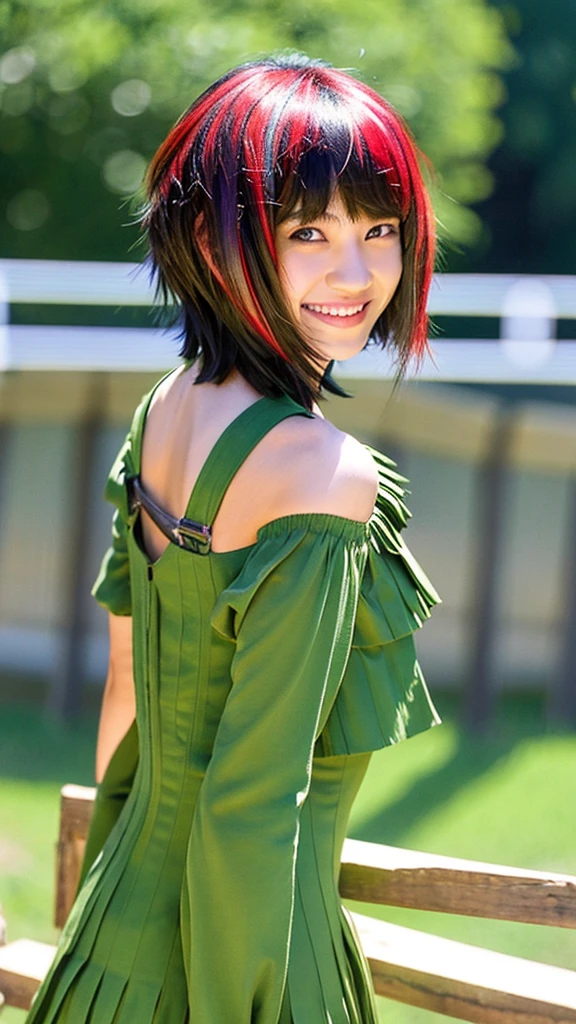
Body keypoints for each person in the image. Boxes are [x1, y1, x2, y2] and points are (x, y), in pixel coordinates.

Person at [26, 52, 442, 1024]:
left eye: (380, 228)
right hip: (244, 961)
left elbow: (126, 687)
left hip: (115, 933)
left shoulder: (166, 409)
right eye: (309, 231)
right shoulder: (318, 470)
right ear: (214, 238)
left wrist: (97, 912)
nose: (359, 271)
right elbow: (252, 810)